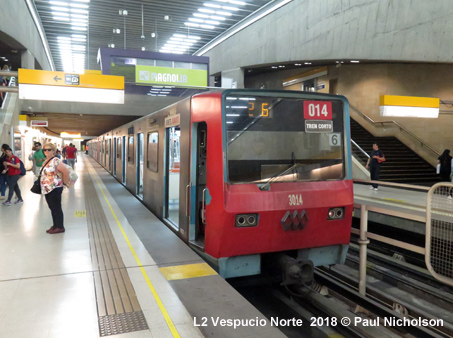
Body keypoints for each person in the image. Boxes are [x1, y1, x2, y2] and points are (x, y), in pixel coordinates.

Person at [40, 143, 70, 234]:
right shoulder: (46, 161)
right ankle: (55, 225)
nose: (46, 151)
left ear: (53, 151)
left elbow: (66, 171)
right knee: (52, 207)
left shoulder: (55, 160)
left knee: (56, 207)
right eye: (44, 150)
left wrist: (64, 183)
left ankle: (60, 227)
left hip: (55, 188)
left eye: (49, 150)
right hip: (47, 188)